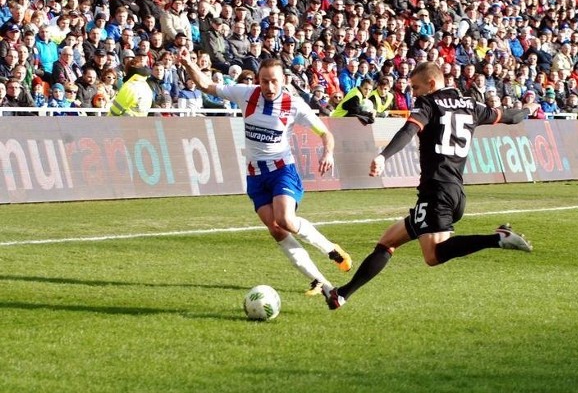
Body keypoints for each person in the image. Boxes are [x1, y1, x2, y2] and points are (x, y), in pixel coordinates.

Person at [325, 62, 533, 310]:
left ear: (432, 84)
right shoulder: (472, 106)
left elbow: (408, 130)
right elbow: (511, 116)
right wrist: (529, 109)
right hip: (454, 192)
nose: (413, 93)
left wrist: (383, 156)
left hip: (436, 192)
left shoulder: (429, 103)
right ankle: (343, 294)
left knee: (432, 256)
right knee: (388, 242)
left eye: (416, 87)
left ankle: (496, 239)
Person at [179, 51, 352, 296]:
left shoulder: (294, 105)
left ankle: (330, 249)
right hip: (255, 176)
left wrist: (328, 153)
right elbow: (206, 85)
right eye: (264, 81)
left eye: (274, 81)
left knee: (286, 220)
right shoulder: (245, 94)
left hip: (282, 171)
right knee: (276, 229)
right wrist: (188, 63)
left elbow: (326, 134)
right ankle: (323, 284)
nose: (269, 86)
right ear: (258, 80)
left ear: (284, 81)